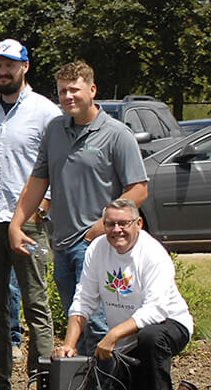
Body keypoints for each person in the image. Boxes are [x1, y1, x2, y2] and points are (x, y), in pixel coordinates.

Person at [10, 60, 148, 353]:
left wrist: (104, 226)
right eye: (62, 91)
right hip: (61, 243)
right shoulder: (55, 130)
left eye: (75, 90)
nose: (68, 97)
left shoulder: (116, 134)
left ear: (92, 90)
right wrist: (16, 223)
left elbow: (138, 190)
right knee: (78, 323)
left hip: (98, 244)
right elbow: (38, 180)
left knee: (98, 325)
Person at [0, 38, 62, 390]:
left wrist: (42, 208)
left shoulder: (45, 111)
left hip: (31, 222)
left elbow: (55, 166)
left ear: (25, 67)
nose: (3, 71)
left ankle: (41, 380)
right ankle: (0, 380)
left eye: (10, 65)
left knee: (36, 302)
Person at [55, 198, 194, 390]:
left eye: (123, 224)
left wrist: (113, 335)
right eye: (110, 224)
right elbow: (84, 299)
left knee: (151, 338)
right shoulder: (96, 250)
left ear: (138, 223)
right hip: (128, 337)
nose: (116, 230)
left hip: (170, 324)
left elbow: (155, 310)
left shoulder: (153, 253)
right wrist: (69, 344)